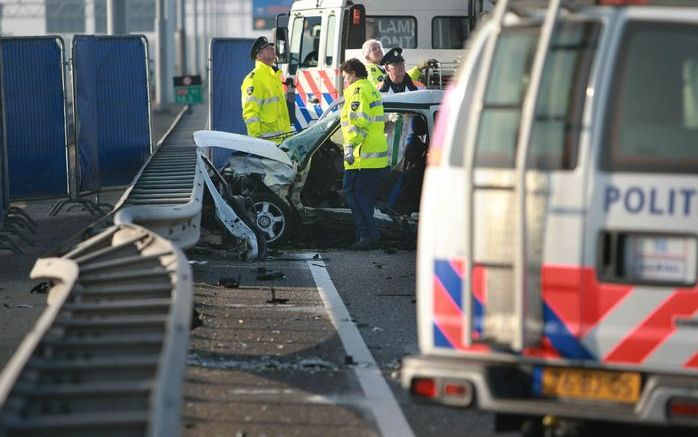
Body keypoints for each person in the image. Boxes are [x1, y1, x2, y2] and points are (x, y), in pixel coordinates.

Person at [339, 58, 389, 250]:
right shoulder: (371, 89)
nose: (344, 81)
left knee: (352, 192)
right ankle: (369, 233)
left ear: (352, 74)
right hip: (374, 155)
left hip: (361, 156)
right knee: (364, 197)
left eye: (345, 77)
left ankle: (366, 234)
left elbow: (359, 124)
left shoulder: (357, 91)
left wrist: (350, 147)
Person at [241, 36, 291, 143]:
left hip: (283, 141)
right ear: (259, 55)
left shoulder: (275, 76)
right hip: (267, 143)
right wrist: (257, 140)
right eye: (267, 48)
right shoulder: (254, 78)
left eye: (272, 47)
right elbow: (250, 113)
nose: (272, 49)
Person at [362, 40, 433, 89]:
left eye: (379, 48)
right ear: (367, 56)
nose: (378, 50)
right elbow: (380, 86)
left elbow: (401, 77)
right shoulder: (370, 69)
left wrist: (417, 69)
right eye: (374, 49)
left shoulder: (380, 68)